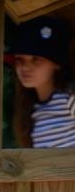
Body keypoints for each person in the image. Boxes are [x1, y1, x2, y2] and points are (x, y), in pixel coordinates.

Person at [7, 16, 75, 148]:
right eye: (20, 59)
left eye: (36, 59)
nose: (25, 67)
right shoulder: (29, 110)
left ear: (57, 64)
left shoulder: (70, 98)